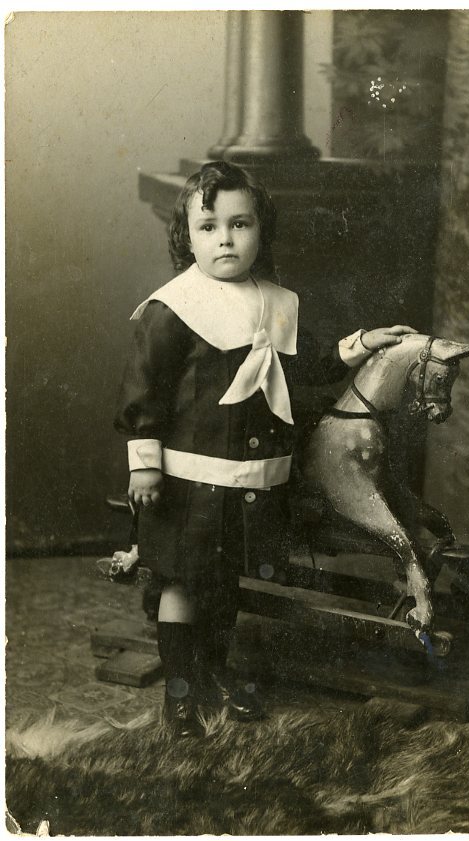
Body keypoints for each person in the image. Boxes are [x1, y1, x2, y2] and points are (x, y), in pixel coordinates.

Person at [114, 160, 416, 737]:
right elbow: (143, 390)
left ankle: (212, 673)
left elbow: (311, 365)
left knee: (225, 581)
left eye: (240, 224)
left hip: (253, 476)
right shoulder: (172, 308)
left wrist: (363, 343)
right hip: (188, 477)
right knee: (181, 581)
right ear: (187, 237)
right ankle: (180, 695)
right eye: (208, 227)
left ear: (260, 231)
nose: (225, 238)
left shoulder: (278, 303)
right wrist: (145, 464)